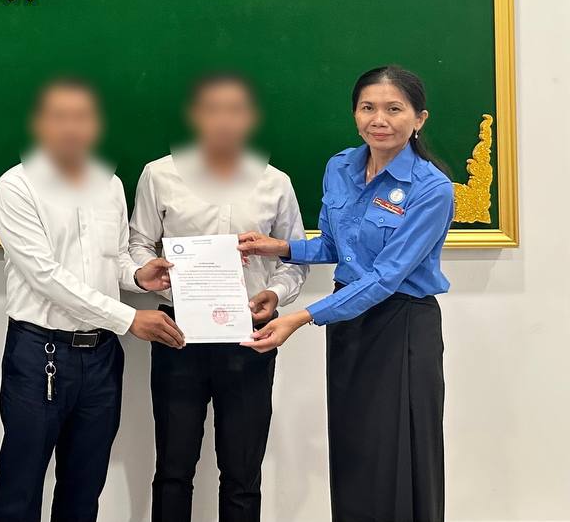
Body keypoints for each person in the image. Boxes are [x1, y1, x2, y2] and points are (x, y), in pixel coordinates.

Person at [238, 65, 454, 522]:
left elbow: (386, 276)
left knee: (395, 452)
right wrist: (281, 247)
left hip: (402, 326)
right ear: (355, 113)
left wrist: (301, 317)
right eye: (367, 107)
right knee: (354, 447)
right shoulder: (340, 167)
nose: (379, 119)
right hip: (349, 322)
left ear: (419, 119)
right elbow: (338, 246)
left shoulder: (432, 188)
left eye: (394, 109)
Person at [0, 77, 181, 522]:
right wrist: (128, 318)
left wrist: (139, 276)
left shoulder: (109, 185)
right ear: (39, 124)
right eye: (60, 117)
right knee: (20, 488)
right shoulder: (15, 187)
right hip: (39, 355)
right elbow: (45, 276)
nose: (71, 127)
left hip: (101, 358)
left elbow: (113, 260)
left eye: (82, 117)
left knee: (84, 489)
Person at [129, 72, 307, 522]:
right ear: (194, 115)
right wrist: (151, 274)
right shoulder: (159, 174)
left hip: (250, 336)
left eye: (235, 110)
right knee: (173, 469)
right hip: (179, 335)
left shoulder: (275, 183)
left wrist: (274, 293)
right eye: (212, 109)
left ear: (250, 118)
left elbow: (294, 257)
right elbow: (138, 244)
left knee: (243, 473)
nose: (223, 120)